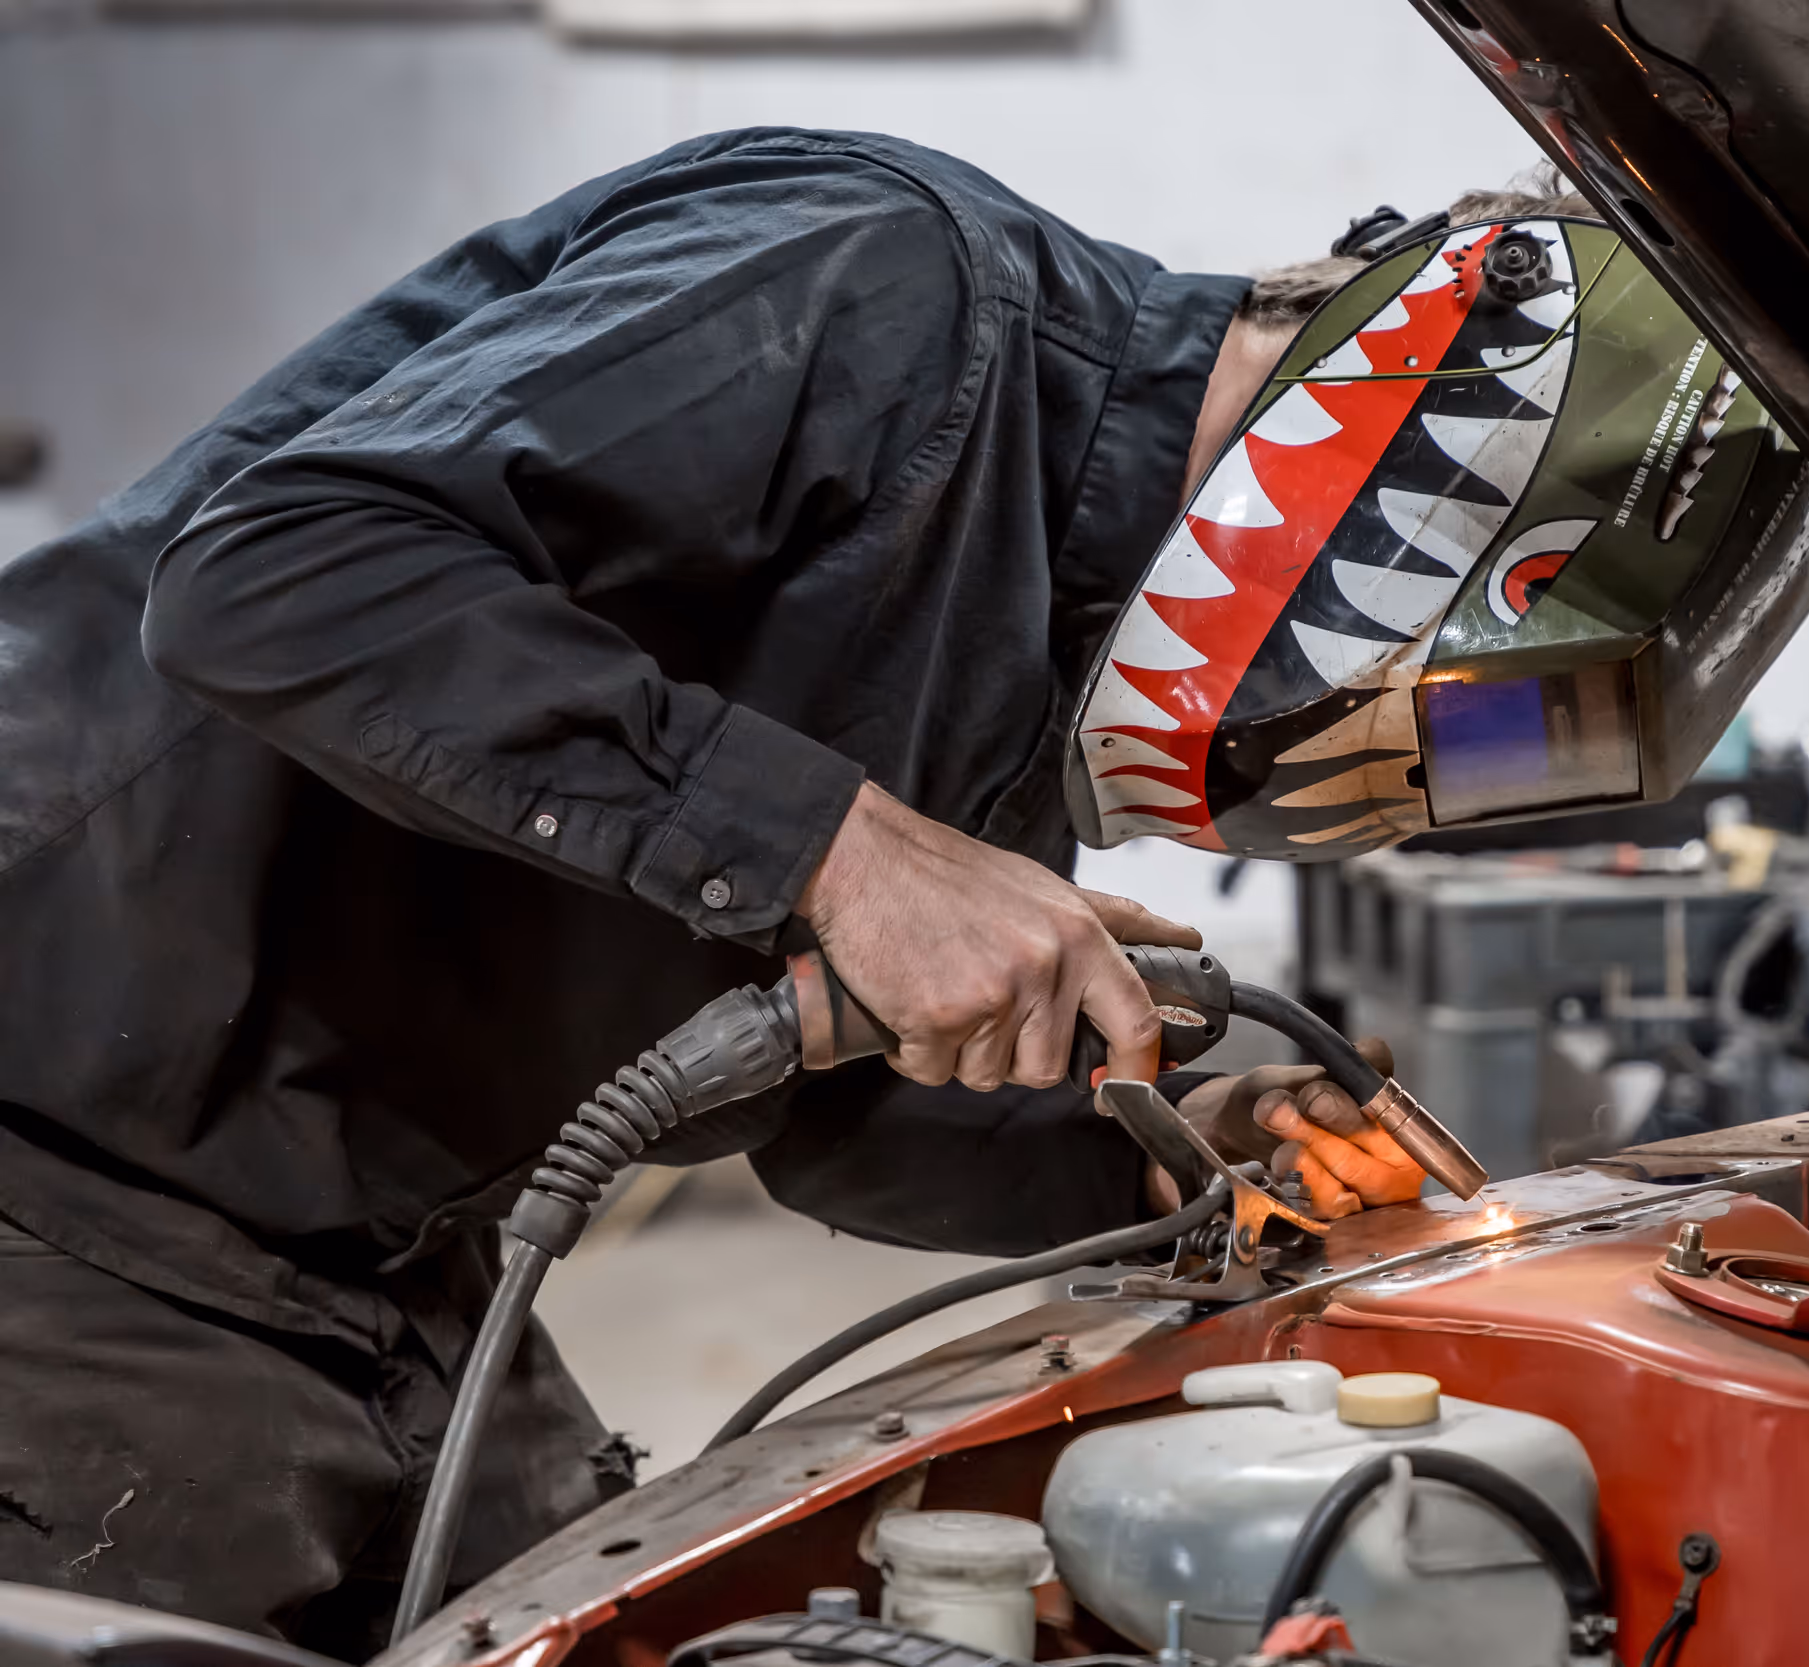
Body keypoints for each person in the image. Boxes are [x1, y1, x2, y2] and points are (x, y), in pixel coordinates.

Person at [0, 131, 1575, 1653]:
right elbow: (270, 573)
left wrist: (1169, 1156)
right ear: (1412, 412)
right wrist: (853, 849)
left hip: (392, 1250)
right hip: (65, 1176)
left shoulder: (1047, 640)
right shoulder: (887, 279)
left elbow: (845, 1129)